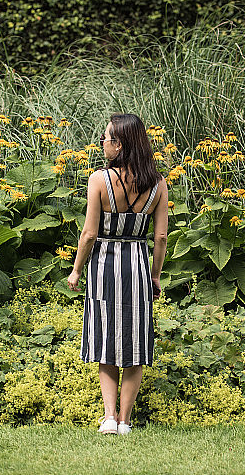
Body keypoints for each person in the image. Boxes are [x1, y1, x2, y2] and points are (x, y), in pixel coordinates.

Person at [67, 113, 169, 436]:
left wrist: (76, 269)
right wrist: (154, 276)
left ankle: (109, 418)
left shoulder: (99, 181)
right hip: (137, 266)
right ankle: (125, 421)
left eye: (107, 138)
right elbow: (161, 238)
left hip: (104, 268)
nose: (102, 142)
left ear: (120, 144)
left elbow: (88, 234)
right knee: (135, 346)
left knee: (105, 341)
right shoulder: (158, 184)